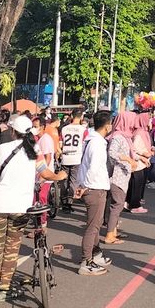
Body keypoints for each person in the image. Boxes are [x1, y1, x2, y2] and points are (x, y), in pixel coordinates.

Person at [0, 115, 67, 301]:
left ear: (13, 131)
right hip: (21, 207)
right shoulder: (34, 150)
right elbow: (45, 173)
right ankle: (4, 289)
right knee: (12, 249)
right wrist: (60, 176)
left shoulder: (1, 149)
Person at [74, 110, 114, 276]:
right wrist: (86, 186)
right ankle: (86, 261)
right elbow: (93, 168)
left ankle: (95, 254)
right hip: (95, 189)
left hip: (93, 187)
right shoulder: (97, 144)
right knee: (92, 227)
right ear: (107, 126)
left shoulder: (92, 141)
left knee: (95, 225)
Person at [105, 112, 137, 245]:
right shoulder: (118, 136)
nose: (134, 124)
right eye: (131, 121)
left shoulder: (125, 136)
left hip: (122, 175)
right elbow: (112, 153)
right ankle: (109, 235)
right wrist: (127, 159)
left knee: (117, 205)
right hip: (117, 176)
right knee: (117, 205)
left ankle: (113, 231)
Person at [60, 111, 88, 212]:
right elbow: (85, 143)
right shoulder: (83, 130)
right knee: (73, 180)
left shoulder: (64, 129)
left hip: (65, 156)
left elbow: (60, 143)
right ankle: (69, 202)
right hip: (77, 157)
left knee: (63, 179)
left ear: (71, 116)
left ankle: (63, 201)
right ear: (81, 117)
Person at [127, 112, 151, 214]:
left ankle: (130, 203)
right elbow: (135, 148)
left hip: (142, 162)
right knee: (136, 185)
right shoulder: (139, 133)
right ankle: (135, 205)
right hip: (138, 162)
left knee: (137, 184)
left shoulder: (143, 131)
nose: (149, 121)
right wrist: (144, 154)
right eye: (148, 119)